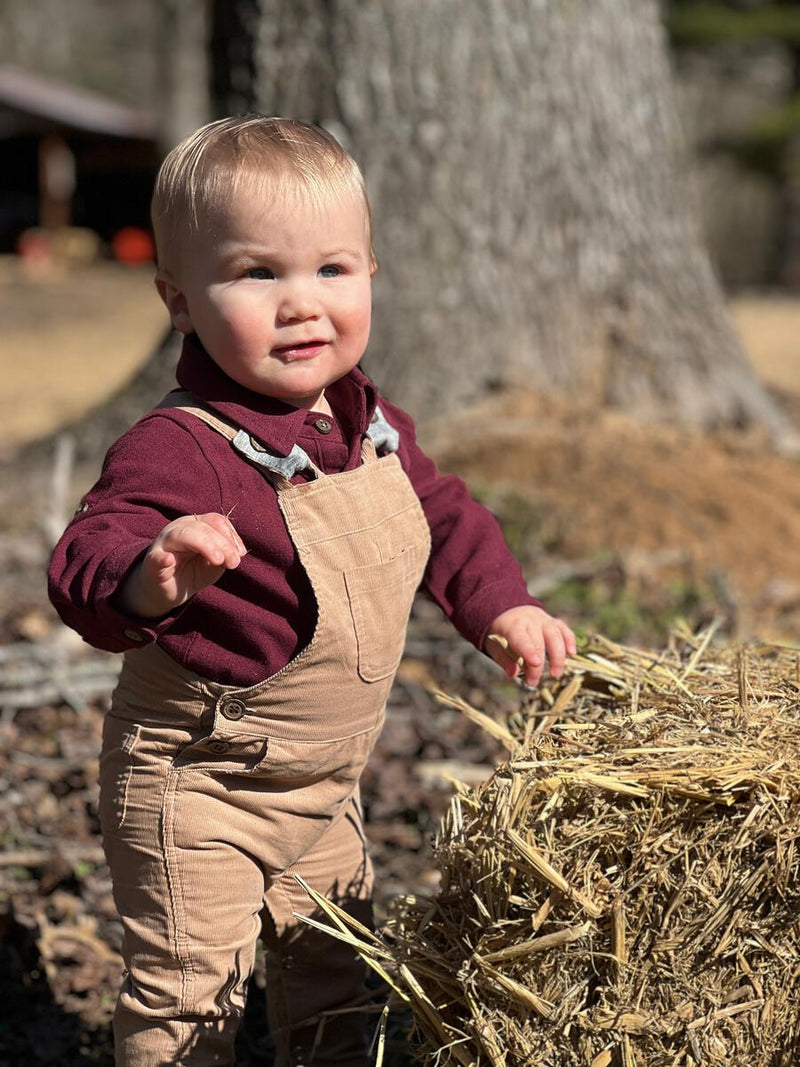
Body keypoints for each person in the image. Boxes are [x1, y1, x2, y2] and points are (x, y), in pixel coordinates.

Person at [48, 115, 575, 1067]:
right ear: (180, 299)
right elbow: (88, 551)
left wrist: (502, 604)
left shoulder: (367, 422)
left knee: (338, 979)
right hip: (201, 780)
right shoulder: (184, 447)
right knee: (187, 998)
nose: (302, 304)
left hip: (324, 785)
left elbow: (446, 518)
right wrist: (146, 574)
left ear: (371, 275)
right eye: (258, 274)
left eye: (331, 270)